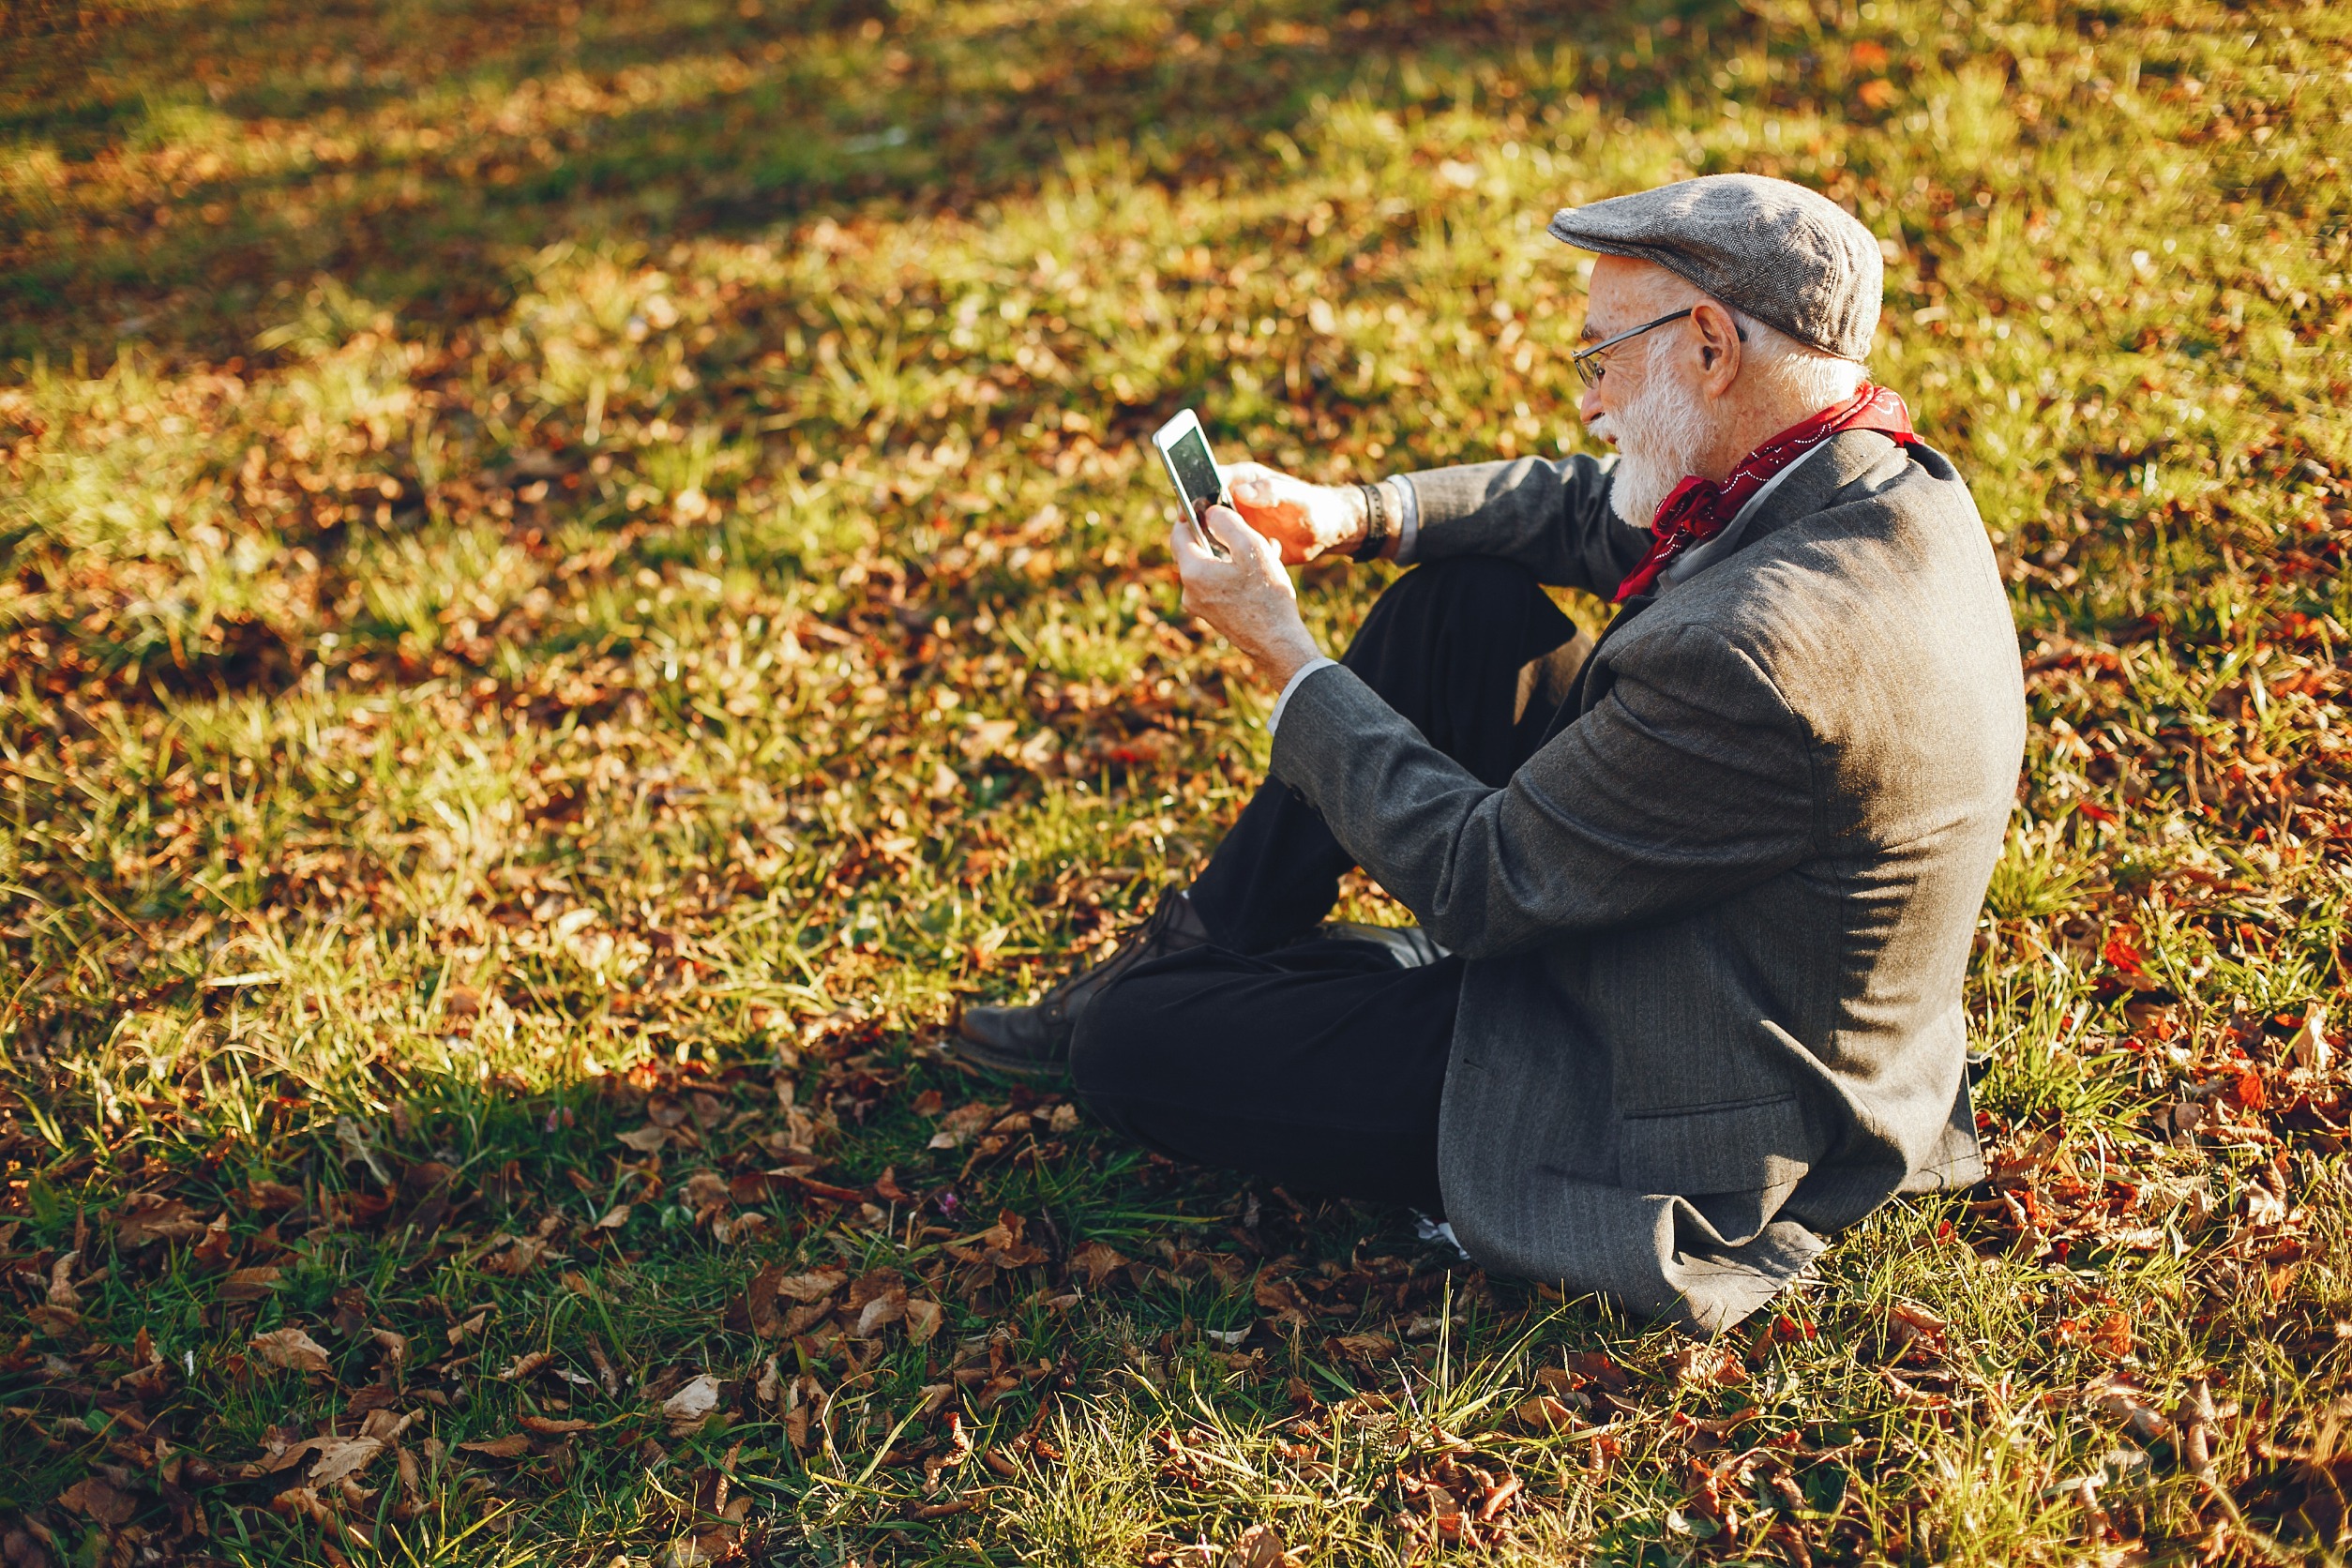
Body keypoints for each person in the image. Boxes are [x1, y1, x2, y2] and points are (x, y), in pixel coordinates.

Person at [956, 174, 2026, 1333]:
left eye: (1600, 359)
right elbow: (1587, 506)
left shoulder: (1755, 656)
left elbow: (1482, 880)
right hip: (1733, 938)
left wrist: (1285, 654)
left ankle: (1173, 989)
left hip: (1683, 1086)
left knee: (1133, 1048)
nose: (1591, 402)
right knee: (1458, 607)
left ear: (1711, 346)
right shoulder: (1857, 467)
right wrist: (1354, 513)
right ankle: (1208, 946)